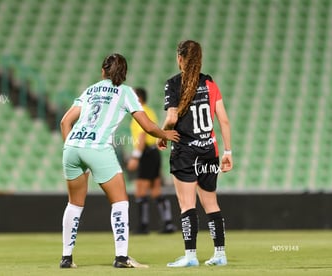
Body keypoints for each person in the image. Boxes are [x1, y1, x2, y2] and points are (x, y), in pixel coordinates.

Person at [59, 53, 180, 269]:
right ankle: (121, 257)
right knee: (120, 202)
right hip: (97, 148)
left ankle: (66, 258)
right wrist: (164, 134)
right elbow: (146, 125)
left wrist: (73, 146)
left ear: (103, 70)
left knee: (74, 204)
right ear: (124, 73)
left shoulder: (90, 90)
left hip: (72, 146)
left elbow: (65, 121)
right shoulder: (126, 92)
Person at [158, 40, 233, 267]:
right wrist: (228, 152)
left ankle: (190, 255)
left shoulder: (173, 84)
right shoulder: (210, 83)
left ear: (180, 58)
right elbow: (224, 121)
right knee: (211, 203)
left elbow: (171, 118)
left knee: (187, 204)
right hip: (209, 151)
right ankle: (220, 254)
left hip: (185, 152)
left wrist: (162, 134)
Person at [127, 87, 176, 234]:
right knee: (156, 190)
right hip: (154, 153)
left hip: (146, 153)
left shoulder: (139, 113)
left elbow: (142, 136)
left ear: (139, 98)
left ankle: (143, 226)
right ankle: (168, 223)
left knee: (140, 191)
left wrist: (135, 156)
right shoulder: (150, 111)